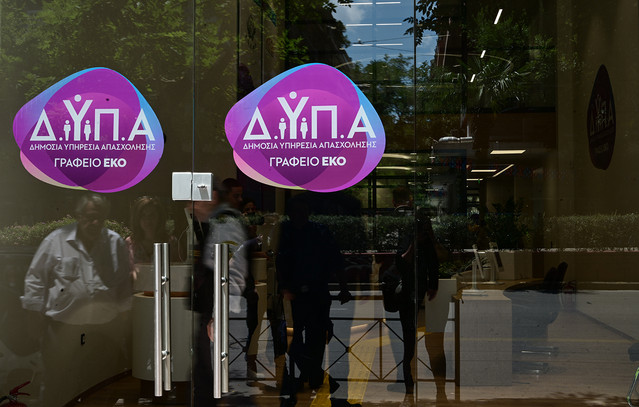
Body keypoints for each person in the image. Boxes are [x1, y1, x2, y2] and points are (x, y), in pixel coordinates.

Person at [20, 193, 132, 406]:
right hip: (63, 328)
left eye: (100, 217)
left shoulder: (114, 242)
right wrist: (33, 315)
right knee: (58, 381)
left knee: (99, 385)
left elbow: (123, 283)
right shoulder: (56, 240)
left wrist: (125, 321)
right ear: (79, 216)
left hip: (103, 329)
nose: (95, 222)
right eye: (90, 217)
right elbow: (35, 278)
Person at [276, 196, 351, 401]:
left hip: (315, 291)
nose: (300, 215)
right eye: (296, 212)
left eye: (303, 211)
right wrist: (284, 287)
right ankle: (312, 373)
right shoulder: (288, 232)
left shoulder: (316, 232)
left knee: (315, 337)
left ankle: (311, 375)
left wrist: (343, 287)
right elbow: (279, 262)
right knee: (292, 338)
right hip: (297, 292)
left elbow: (336, 260)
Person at [193, 178, 251, 405]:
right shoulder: (216, 222)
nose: (191, 206)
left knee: (227, 380)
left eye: (195, 200)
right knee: (210, 378)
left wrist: (220, 316)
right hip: (214, 313)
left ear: (212, 197)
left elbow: (232, 272)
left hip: (220, 314)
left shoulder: (225, 222)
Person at [389, 187, 444, 403]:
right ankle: (407, 374)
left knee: (402, 328)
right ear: (410, 200)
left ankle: (404, 375)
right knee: (409, 326)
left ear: (394, 202)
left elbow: (395, 257)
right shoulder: (420, 220)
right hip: (416, 282)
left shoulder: (392, 222)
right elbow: (432, 255)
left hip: (400, 282)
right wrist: (433, 283)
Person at [126, 196, 178, 265]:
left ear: (159, 217)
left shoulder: (171, 242)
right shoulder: (130, 243)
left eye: (152, 215)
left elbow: (180, 268)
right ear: (137, 218)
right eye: (143, 215)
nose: (148, 220)